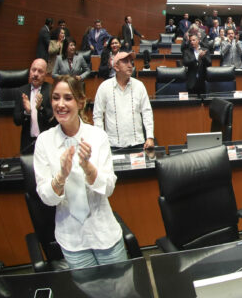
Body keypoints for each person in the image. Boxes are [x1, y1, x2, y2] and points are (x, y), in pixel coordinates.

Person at [33, 75, 127, 269]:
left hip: (104, 233)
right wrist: (61, 176)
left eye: (68, 98)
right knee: (88, 291)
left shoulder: (98, 136)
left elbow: (108, 188)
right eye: (56, 98)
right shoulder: (44, 142)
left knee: (121, 288)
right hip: (72, 238)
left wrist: (87, 167)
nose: (60, 104)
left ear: (81, 102)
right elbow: (46, 198)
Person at [93, 51, 155, 154]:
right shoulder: (104, 87)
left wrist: (150, 137)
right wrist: (101, 140)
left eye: (131, 62)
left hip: (137, 144)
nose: (130, 65)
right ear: (116, 67)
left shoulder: (139, 86)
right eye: (125, 62)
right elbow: (97, 116)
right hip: (112, 145)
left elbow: (147, 113)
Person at [13, 59, 53, 154]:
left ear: (45, 74)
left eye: (40, 71)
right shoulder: (21, 91)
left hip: (47, 142)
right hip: (28, 142)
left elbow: (52, 119)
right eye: (33, 70)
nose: (35, 74)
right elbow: (16, 121)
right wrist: (27, 112)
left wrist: (41, 108)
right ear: (29, 71)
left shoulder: (51, 90)